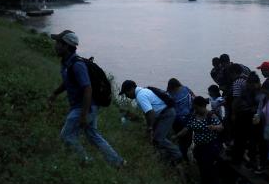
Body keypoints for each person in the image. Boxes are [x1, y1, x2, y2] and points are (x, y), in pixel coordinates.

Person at [47, 30, 124, 167]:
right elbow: (68, 82)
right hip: (88, 107)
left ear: (66, 46)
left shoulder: (77, 65)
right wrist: (55, 93)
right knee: (93, 135)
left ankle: (85, 162)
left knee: (67, 136)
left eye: (58, 43)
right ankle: (117, 162)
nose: (55, 45)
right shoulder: (67, 63)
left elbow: (88, 89)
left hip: (84, 108)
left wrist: (83, 114)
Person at [119, 80, 183, 164]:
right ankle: (165, 157)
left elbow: (150, 113)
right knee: (157, 138)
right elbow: (147, 113)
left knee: (159, 138)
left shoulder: (140, 96)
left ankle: (177, 155)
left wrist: (150, 127)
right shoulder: (143, 91)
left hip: (166, 115)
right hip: (163, 114)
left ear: (131, 89)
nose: (126, 96)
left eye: (126, 93)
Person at [172, 96, 223, 184]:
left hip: (210, 146)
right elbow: (187, 128)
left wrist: (214, 127)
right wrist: (176, 136)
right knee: (201, 166)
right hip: (199, 146)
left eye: (196, 107)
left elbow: (221, 127)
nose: (195, 109)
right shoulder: (194, 116)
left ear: (202, 106)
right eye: (194, 108)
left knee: (210, 166)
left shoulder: (211, 115)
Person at [167, 78, 195, 160]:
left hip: (176, 119)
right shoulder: (186, 89)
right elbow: (195, 98)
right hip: (188, 117)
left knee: (180, 139)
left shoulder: (169, 94)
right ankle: (185, 156)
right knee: (187, 139)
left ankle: (180, 156)